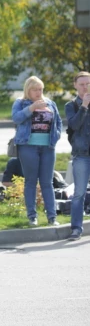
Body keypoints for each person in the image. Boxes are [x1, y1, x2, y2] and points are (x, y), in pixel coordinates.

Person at [12, 76, 62, 227]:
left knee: (47, 182)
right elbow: (16, 118)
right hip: (28, 146)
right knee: (31, 182)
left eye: (40, 89)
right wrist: (31, 108)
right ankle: (32, 216)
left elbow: (58, 122)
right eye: (35, 89)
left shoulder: (50, 103)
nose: (38, 92)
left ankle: (52, 217)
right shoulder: (21, 103)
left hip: (47, 147)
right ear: (28, 90)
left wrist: (56, 136)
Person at [64, 71, 90, 241]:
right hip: (81, 155)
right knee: (79, 193)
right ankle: (76, 229)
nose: (85, 86)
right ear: (75, 85)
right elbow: (74, 124)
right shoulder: (71, 105)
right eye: (81, 84)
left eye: (88, 83)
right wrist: (84, 107)